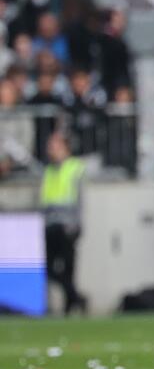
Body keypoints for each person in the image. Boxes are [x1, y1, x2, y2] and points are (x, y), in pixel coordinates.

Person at [40, 132, 88, 314]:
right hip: (51, 225)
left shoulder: (75, 167)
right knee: (50, 269)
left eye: (54, 145)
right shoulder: (48, 170)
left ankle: (70, 305)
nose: (50, 149)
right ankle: (76, 297)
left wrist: (78, 224)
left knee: (68, 268)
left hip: (68, 225)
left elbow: (82, 200)